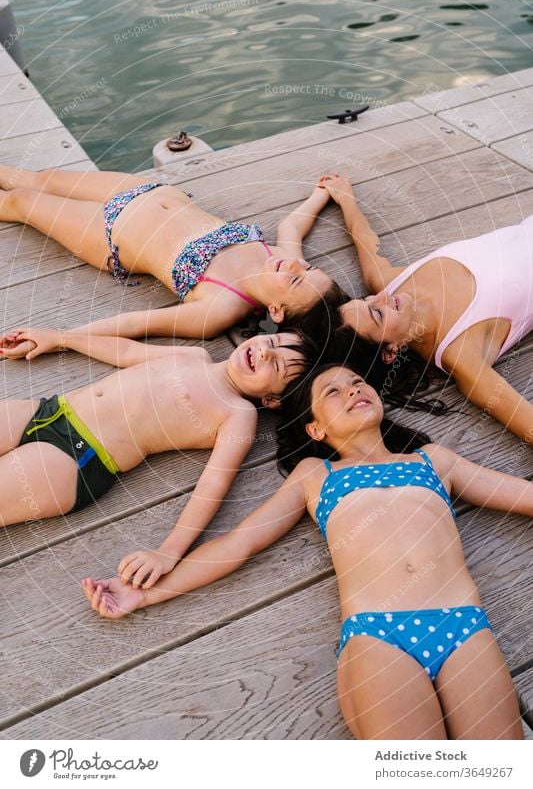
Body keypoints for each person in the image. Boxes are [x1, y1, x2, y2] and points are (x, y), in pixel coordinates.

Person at [81, 363, 530, 740]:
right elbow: (242, 541)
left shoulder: (434, 460)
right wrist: (148, 592)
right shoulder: (316, 475)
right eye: (332, 392)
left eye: (356, 381)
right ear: (316, 428)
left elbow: (522, 495)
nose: (352, 389)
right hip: (380, 637)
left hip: (465, 627)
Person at [0, 325, 314, 587]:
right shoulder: (194, 356)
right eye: (272, 341)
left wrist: (169, 551)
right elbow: (127, 353)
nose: (264, 352)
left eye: (276, 365)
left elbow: (213, 483)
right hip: (50, 410)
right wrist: (61, 339)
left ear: (271, 400)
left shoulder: (238, 414)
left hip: (78, 456)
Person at [293, 175, 533, 444]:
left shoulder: (389, 283)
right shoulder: (460, 353)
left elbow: (362, 236)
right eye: (378, 313)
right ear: (390, 351)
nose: (382, 297)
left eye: (368, 299)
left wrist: (345, 198)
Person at [0, 164, 342, 341]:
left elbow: (137, 323)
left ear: (276, 311)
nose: (296, 264)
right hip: (142, 191)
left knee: (20, 202)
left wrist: (60, 338)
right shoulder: (279, 256)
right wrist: (323, 193)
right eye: (308, 266)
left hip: (108, 234)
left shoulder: (220, 307)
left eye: (296, 280)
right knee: (40, 179)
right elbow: (292, 227)